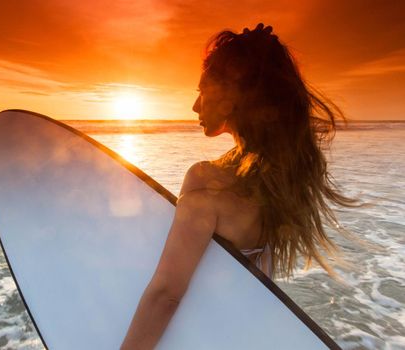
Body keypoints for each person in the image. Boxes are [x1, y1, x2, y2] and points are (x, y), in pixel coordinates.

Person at [120, 23, 358, 349]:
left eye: (201, 92)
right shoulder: (281, 184)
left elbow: (166, 295)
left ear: (230, 99)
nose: (194, 107)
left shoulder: (205, 183)